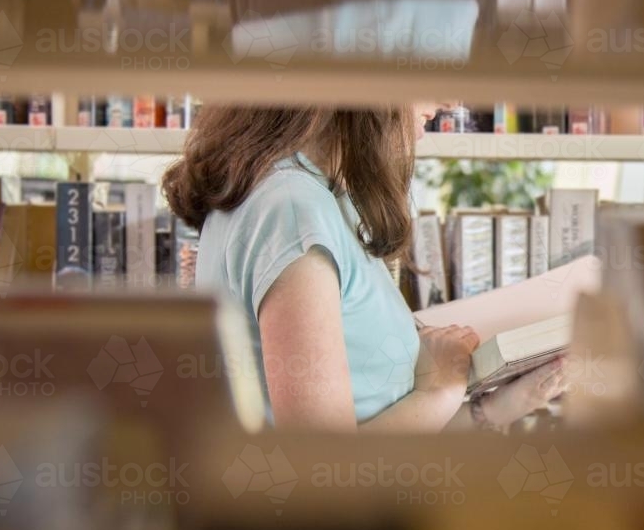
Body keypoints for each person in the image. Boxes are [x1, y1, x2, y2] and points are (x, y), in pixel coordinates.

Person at [163, 104, 567, 432]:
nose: (452, 99)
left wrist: (504, 405)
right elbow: (324, 473)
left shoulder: (315, 196)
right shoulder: (291, 211)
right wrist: (439, 388)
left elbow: (379, 428)